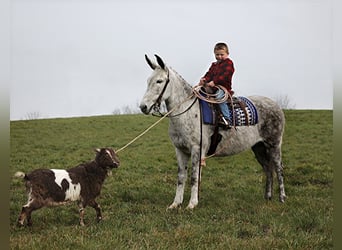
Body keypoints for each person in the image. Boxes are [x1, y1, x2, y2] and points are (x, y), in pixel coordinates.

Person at [198, 42, 235, 127]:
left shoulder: (229, 63)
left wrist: (215, 82)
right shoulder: (214, 65)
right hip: (213, 87)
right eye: (217, 55)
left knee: (219, 98)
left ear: (227, 54)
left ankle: (227, 119)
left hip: (223, 88)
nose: (219, 57)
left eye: (222, 54)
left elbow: (226, 75)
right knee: (200, 93)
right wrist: (204, 79)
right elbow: (209, 74)